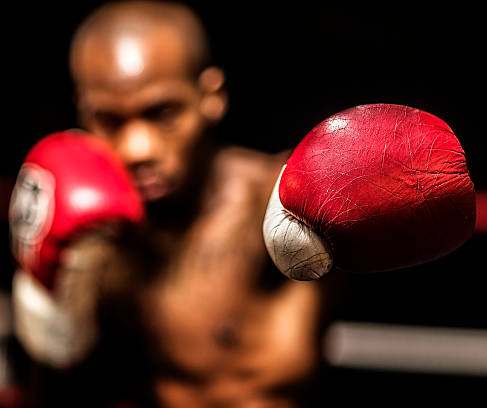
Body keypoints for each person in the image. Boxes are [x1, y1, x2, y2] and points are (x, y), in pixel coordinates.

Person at [66, 1, 338, 407]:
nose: (137, 148)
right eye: (109, 120)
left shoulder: (279, 199)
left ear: (210, 96)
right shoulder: (89, 225)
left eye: (163, 112)